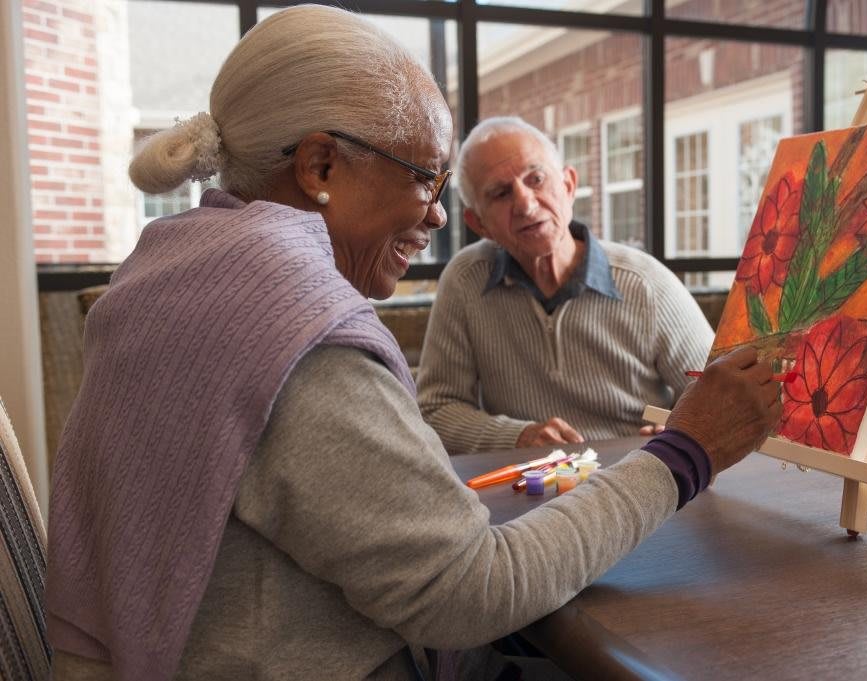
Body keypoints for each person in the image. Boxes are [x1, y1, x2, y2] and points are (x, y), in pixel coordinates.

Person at [44, 6, 781, 681]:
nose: (435, 217)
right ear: (320, 166)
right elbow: (472, 590)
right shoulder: (295, 334)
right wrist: (684, 453)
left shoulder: (171, 265)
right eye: (427, 180)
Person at [416, 117, 714, 454]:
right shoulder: (465, 281)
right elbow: (436, 411)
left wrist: (680, 433)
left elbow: (721, 402)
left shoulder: (646, 284)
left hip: (639, 480)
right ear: (478, 223)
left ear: (569, 186)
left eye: (537, 179)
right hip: (529, 493)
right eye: (501, 193)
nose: (526, 204)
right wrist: (519, 436)